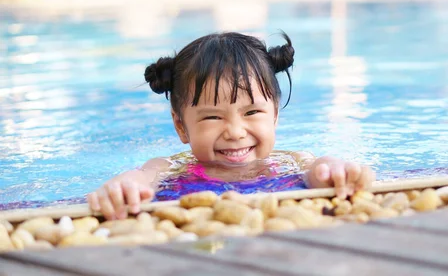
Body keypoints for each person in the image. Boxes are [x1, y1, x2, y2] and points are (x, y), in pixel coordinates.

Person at [87, 32, 375, 220]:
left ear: (274, 115)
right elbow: (142, 177)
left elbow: (316, 169)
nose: (235, 132)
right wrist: (126, 186)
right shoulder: (171, 168)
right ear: (181, 126)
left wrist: (333, 171)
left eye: (251, 112)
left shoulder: (290, 161)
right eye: (213, 117)